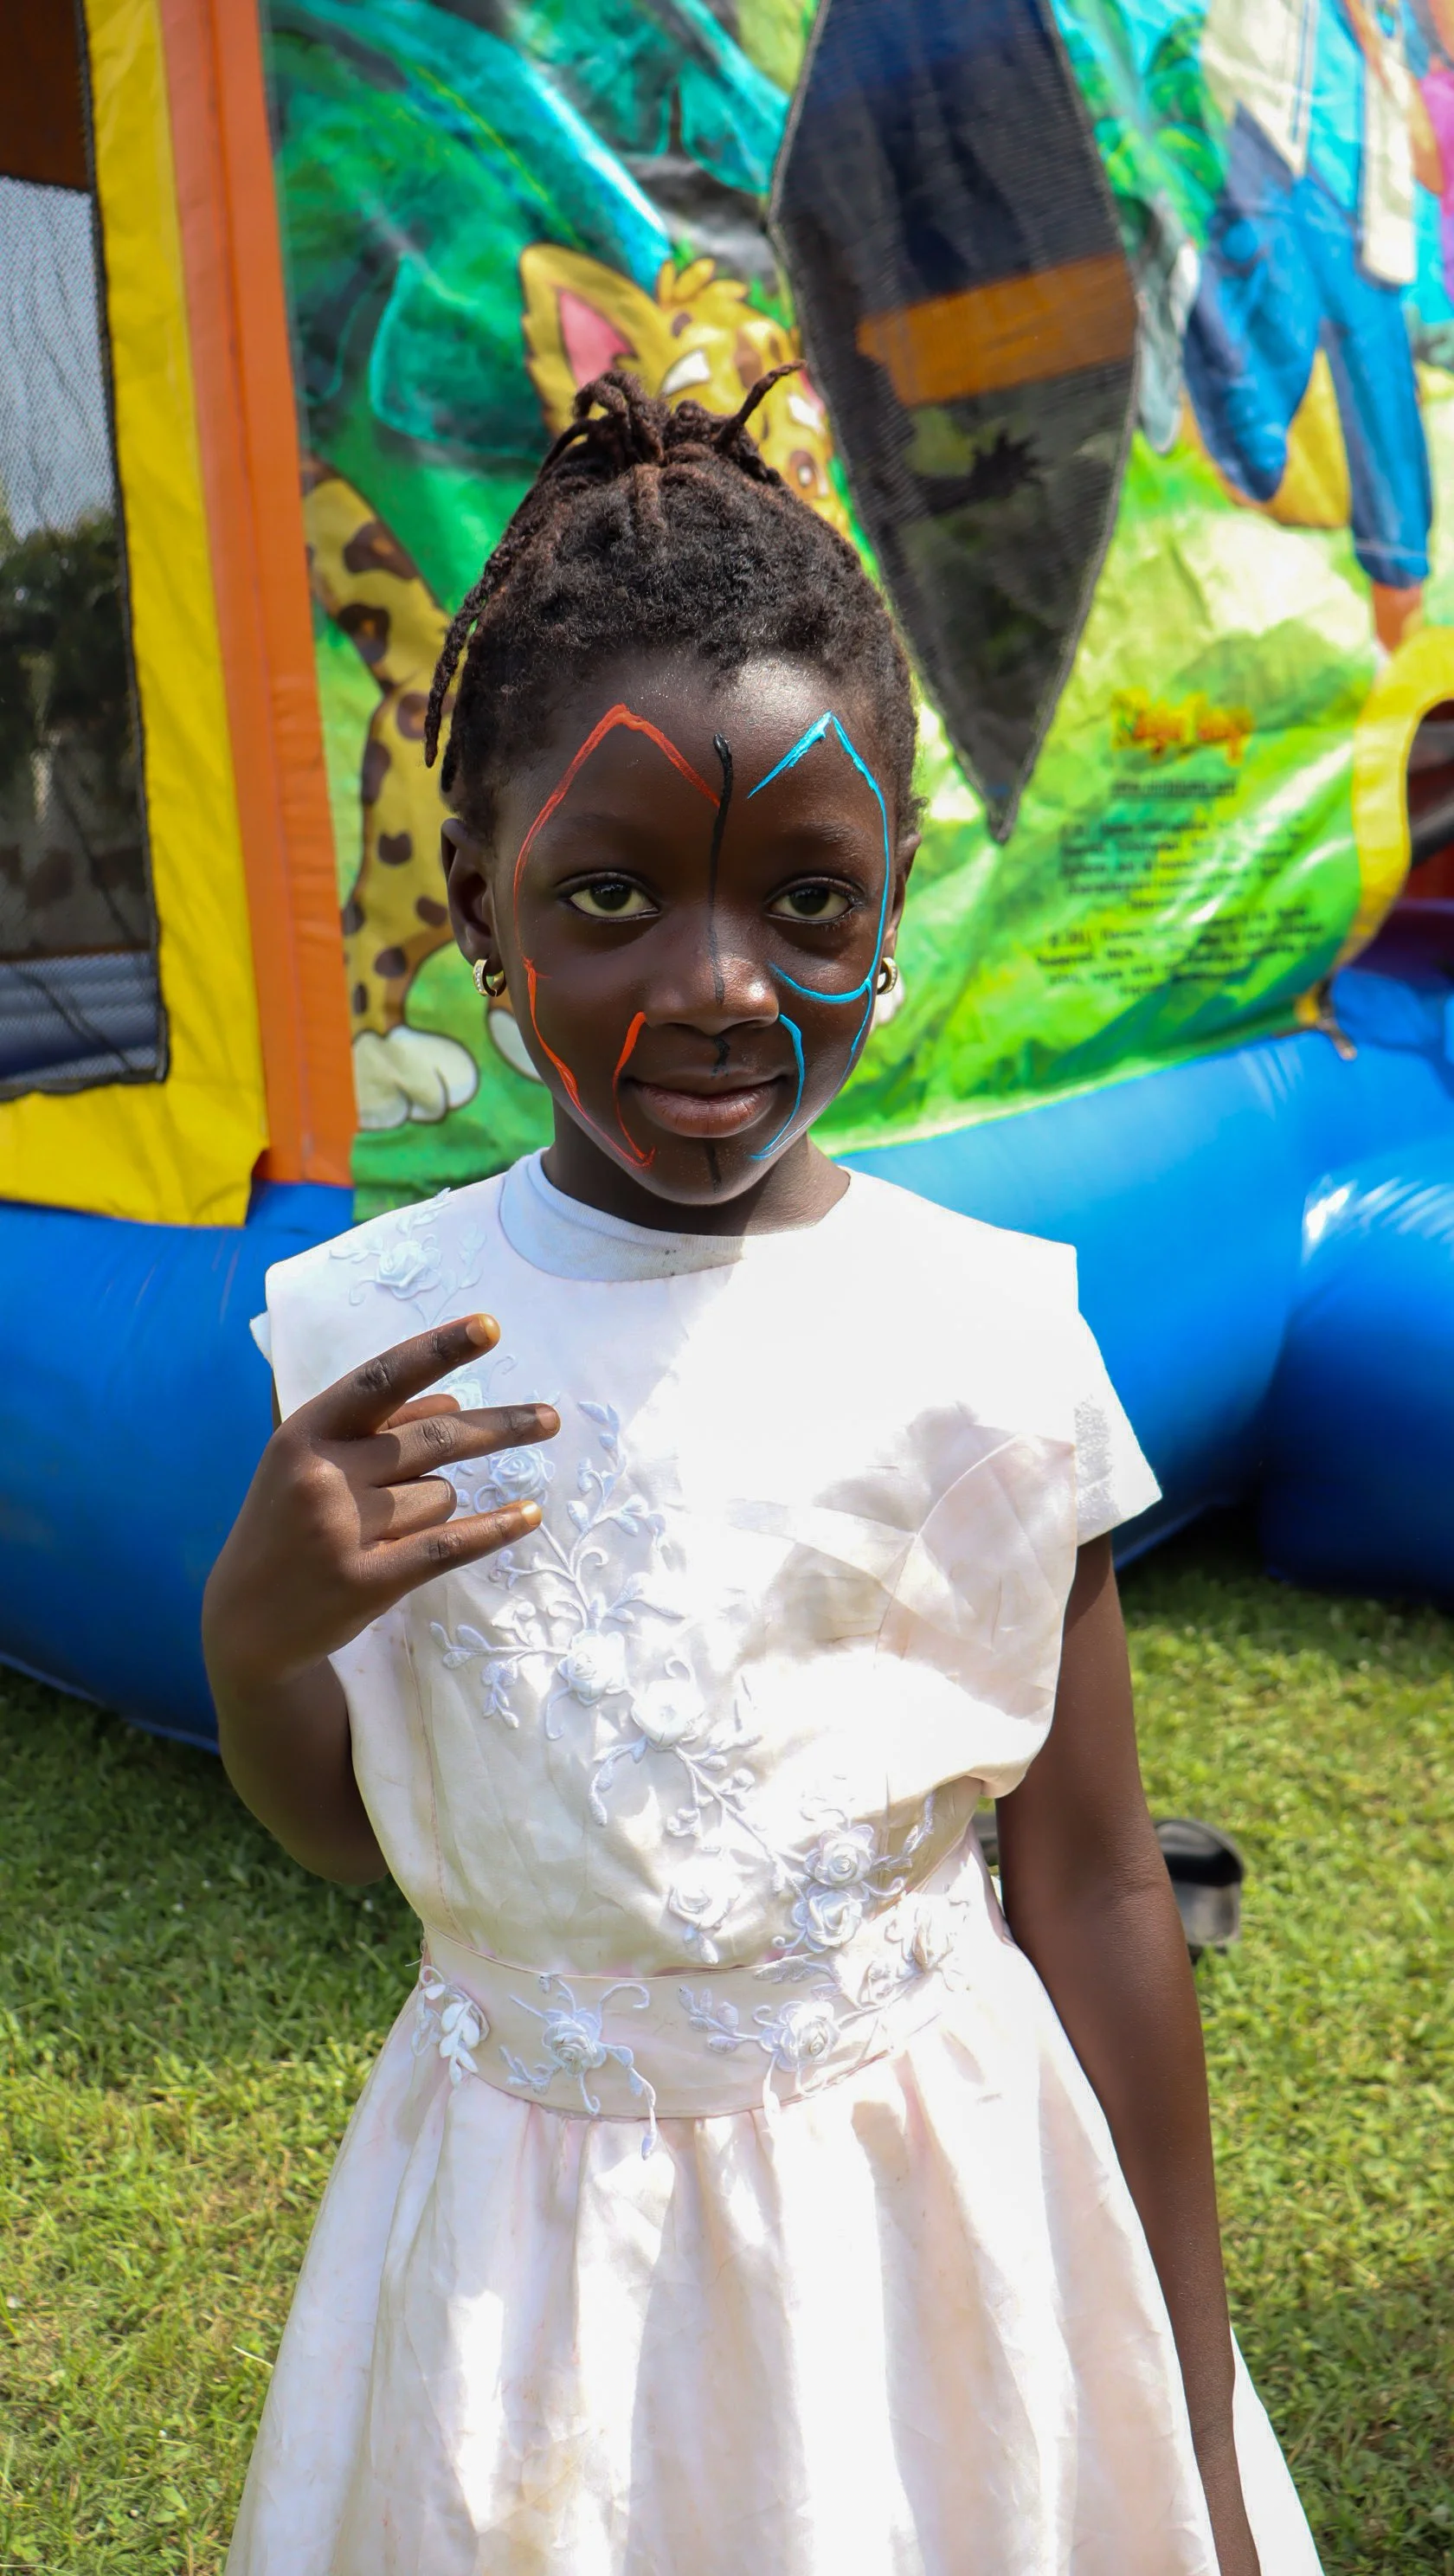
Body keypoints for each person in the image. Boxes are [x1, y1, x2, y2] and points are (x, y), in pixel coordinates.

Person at [205, 370, 1322, 2576]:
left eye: (808, 907)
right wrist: (263, 1629)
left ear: (895, 900)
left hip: (938, 2235)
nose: (718, 988)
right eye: (612, 895)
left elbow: (1095, 1883)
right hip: (528, 2274)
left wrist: (1186, 2399)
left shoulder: (988, 1333)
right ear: (474, 893)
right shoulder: (367, 1335)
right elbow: (362, 1839)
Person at [1189, 0, 1439, 652]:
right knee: (1256, 434)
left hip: (1368, 226)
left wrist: (1387, 52)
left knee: (1391, 456)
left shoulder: (1395, 36)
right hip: (1271, 162)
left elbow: (1429, 159)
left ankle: (1409, 664)